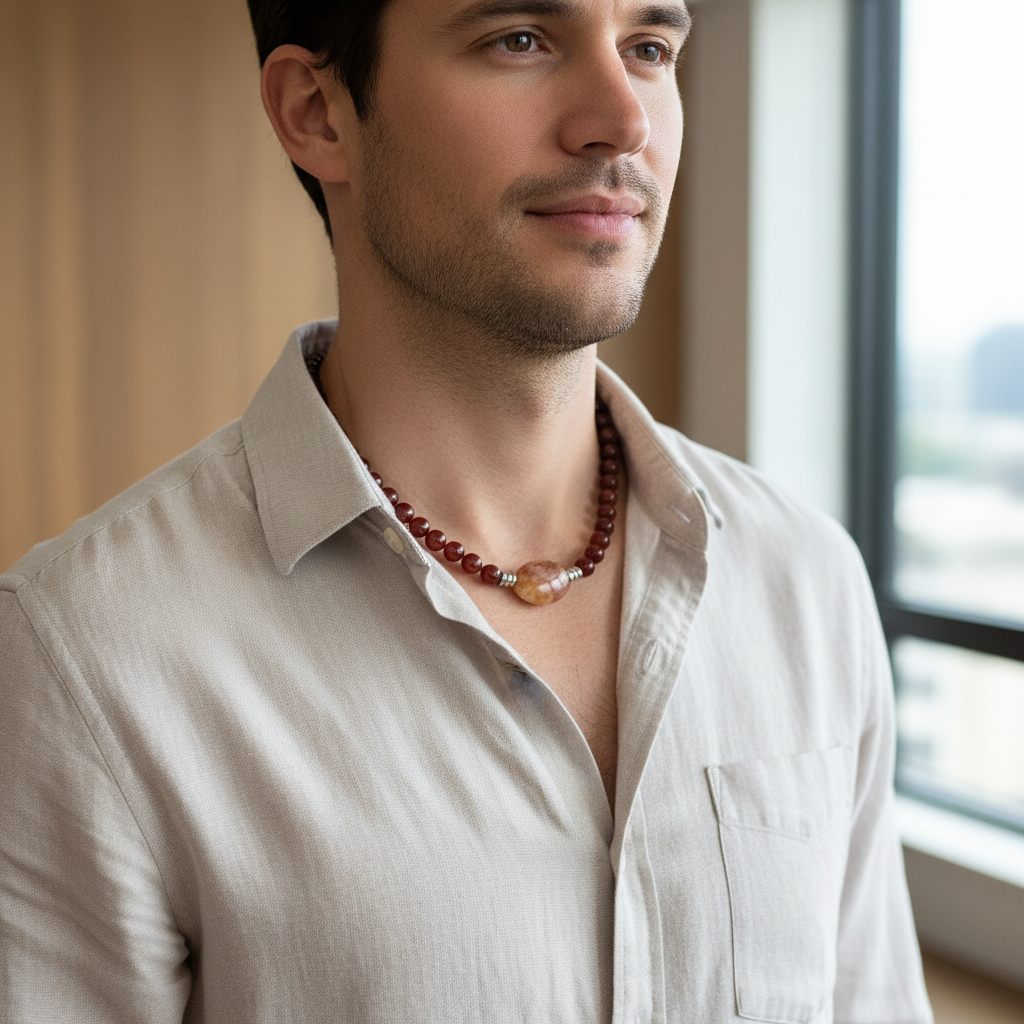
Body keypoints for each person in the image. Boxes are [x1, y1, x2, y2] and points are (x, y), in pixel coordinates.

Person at [0, 0, 934, 1020]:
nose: (622, 119)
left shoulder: (805, 580)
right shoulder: (82, 654)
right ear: (317, 112)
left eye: (650, 49)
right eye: (519, 40)